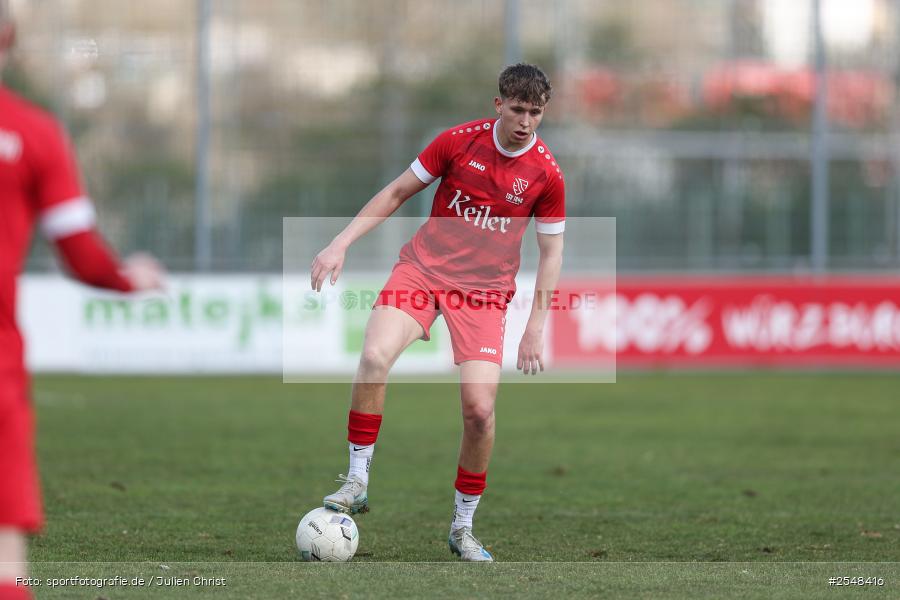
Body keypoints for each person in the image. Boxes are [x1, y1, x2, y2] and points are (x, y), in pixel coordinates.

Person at [310, 63, 565, 562]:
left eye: (536, 112)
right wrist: (340, 244)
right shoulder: (457, 142)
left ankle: (462, 528)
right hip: (423, 273)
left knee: (480, 413)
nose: (526, 121)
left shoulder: (547, 175)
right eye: (517, 109)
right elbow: (397, 191)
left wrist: (536, 325)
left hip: (485, 295)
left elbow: (552, 252)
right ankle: (357, 480)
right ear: (499, 104)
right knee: (374, 356)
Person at [0, 5, 165, 599]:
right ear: (10, 40)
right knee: (3, 552)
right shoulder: (33, 132)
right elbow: (79, 251)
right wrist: (125, 278)